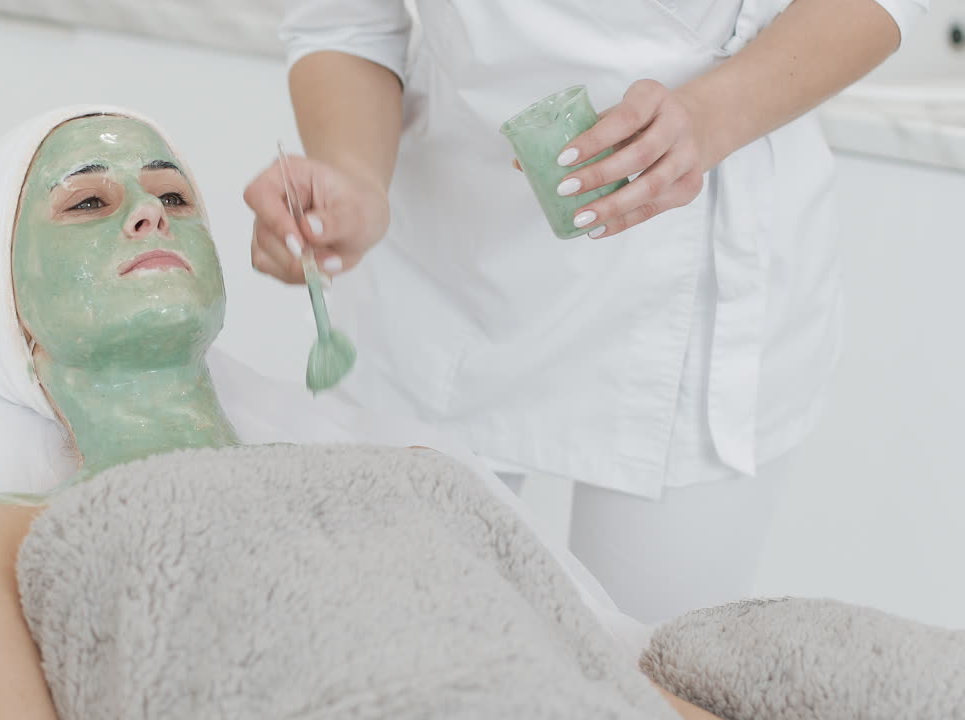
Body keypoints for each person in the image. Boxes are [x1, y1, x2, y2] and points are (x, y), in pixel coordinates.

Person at [0, 106, 727, 720]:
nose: (152, 212)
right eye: (87, 203)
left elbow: (598, 675)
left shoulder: (405, 476)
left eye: (174, 195)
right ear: (4, 304)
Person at [243, 0, 925, 622]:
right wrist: (357, 177)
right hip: (448, 261)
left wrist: (711, 118)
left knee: (648, 680)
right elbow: (346, 21)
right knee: (397, 639)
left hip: (700, 293)